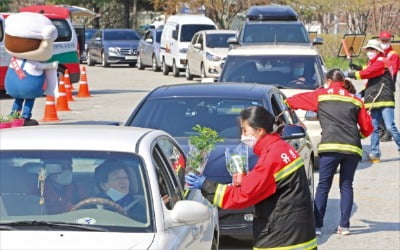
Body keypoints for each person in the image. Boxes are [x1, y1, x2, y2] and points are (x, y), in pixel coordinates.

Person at [185, 106, 317, 249]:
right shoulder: (282, 148)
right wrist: (246, 179)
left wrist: (205, 185)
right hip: (297, 233)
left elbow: (244, 195)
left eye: (245, 130)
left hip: (282, 239)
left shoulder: (272, 157)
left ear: (259, 131)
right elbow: (270, 185)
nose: (242, 136)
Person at [286, 68, 373, 236]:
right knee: (347, 186)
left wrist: (288, 104)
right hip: (352, 148)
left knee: (324, 186)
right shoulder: (355, 100)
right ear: (343, 82)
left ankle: (317, 226)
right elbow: (367, 128)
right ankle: (344, 226)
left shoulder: (321, 95)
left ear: (327, 81)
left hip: (330, 146)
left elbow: (294, 101)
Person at [346, 39, 400, 162]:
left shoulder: (382, 62)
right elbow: (367, 69)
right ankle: (375, 153)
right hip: (373, 99)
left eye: (372, 49)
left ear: (378, 51)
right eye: (368, 50)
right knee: (374, 128)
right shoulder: (374, 62)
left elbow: (368, 72)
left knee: (390, 126)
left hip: (385, 98)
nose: (369, 52)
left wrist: (351, 74)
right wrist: (357, 67)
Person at [378, 31, 399, 141]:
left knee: (386, 110)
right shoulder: (378, 53)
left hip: (388, 86)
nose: (384, 42)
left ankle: (388, 132)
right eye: (383, 40)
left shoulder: (393, 55)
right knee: (376, 109)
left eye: (386, 40)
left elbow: (393, 71)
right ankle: (383, 130)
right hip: (376, 86)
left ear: (390, 41)